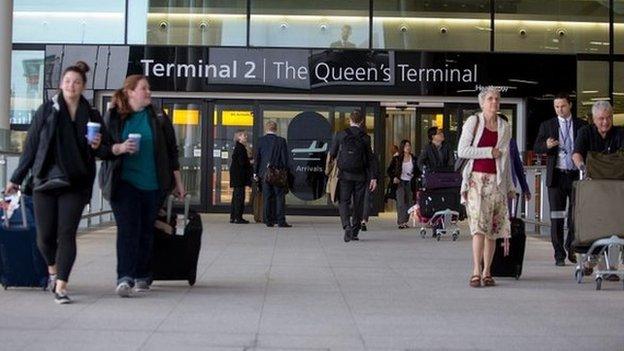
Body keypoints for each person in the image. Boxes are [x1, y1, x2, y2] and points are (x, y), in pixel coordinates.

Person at [5, 61, 106, 304]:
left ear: (83, 87)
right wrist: (16, 179)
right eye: (68, 81)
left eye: (77, 82)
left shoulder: (91, 115)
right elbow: (31, 148)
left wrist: (98, 144)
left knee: (67, 232)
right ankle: (52, 270)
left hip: (76, 182)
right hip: (45, 181)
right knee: (44, 238)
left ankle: (61, 285)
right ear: (61, 84)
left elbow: (104, 150)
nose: (71, 85)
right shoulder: (47, 110)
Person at [101, 74, 185, 297]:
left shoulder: (157, 116)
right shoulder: (114, 116)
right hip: (124, 182)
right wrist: (119, 148)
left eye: (148, 88)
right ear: (130, 92)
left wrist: (178, 182)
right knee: (128, 229)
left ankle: (143, 274)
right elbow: (103, 148)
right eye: (144, 88)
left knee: (146, 230)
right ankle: (125, 277)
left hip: (153, 183)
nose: (148, 92)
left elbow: (171, 149)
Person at [458, 87, 514, 288]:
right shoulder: (474, 121)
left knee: (493, 229)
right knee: (479, 227)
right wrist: (489, 152)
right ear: (482, 103)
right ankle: (475, 270)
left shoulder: (504, 126)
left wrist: (510, 186)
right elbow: (462, 150)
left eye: (497, 99)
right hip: (476, 181)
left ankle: (487, 271)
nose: (494, 102)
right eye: (490, 99)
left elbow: (505, 161)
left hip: (496, 182)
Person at [572, 101, 624, 281]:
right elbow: (577, 153)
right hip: (593, 187)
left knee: (615, 224)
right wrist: (582, 167)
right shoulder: (585, 132)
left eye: (608, 117)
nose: (605, 122)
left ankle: (611, 268)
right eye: (601, 118)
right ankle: (594, 262)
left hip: (615, 187)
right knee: (596, 223)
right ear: (593, 119)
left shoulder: (620, 134)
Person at [534, 93, 587, 266]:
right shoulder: (547, 125)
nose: (560, 109)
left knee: (575, 215)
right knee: (556, 216)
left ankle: (571, 246)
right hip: (556, 176)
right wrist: (546, 146)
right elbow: (537, 147)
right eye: (556, 106)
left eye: (562, 106)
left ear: (570, 105)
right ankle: (558, 254)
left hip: (575, 176)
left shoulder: (582, 125)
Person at [329, 110, 377, 242]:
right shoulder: (366, 138)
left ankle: (346, 226)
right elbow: (370, 159)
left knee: (343, 201)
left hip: (344, 175)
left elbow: (332, 153)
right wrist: (373, 177)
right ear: (362, 121)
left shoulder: (340, 135)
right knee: (358, 203)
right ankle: (355, 231)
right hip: (360, 176)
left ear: (349, 119)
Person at [254, 121, 291, 228]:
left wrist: (255, 172)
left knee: (267, 197)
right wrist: (285, 171)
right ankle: (280, 220)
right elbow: (285, 159)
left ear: (266, 129)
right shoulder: (281, 141)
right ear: (276, 129)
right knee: (279, 197)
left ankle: (268, 220)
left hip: (264, 174)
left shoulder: (260, 141)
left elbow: (257, 159)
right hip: (277, 174)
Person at [387, 139, 419, 229]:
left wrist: (414, 174)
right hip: (400, 182)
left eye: (409, 146)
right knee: (401, 202)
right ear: (402, 147)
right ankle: (401, 222)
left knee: (409, 202)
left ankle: (405, 221)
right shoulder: (397, 158)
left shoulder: (414, 159)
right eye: (406, 146)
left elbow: (418, 171)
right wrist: (394, 177)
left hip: (410, 182)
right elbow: (389, 170)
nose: (408, 148)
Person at [229, 130, 252, 224]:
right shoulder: (241, 147)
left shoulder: (237, 147)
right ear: (239, 137)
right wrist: (250, 162)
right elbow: (242, 162)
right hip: (239, 176)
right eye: (244, 136)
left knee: (236, 197)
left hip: (236, 175)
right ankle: (238, 218)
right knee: (239, 197)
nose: (246, 137)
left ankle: (233, 217)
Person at [360, 152, 379, 232]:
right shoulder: (371, 155)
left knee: (359, 199)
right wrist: (374, 178)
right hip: (368, 179)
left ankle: (360, 219)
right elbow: (375, 168)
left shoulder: (358, 152)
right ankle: (363, 220)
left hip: (358, 179)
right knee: (366, 199)